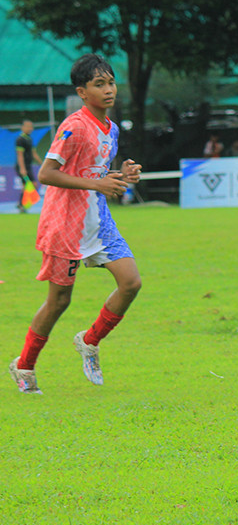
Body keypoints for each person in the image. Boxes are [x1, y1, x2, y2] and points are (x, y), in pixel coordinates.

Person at [8, 54, 142, 395]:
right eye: (100, 84)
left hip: (97, 221)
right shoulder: (73, 125)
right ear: (83, 92)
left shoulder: (110, 128)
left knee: (131, 282)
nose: (109, 89)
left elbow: (91, 174)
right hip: (65, 224)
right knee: (59, 302)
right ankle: (24, 366)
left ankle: (90, 341)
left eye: (111, 82)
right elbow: (47, 174)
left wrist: (118, 176)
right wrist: (98, 184)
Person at [14, 119, 44, 213]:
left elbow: (33, 153)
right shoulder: (20, 139)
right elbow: (20, 155)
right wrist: (22, 168)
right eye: (28, 126)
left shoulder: (29, 138)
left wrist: (43, 164)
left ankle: (21, 204)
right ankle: (21, 204)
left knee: (30, 185)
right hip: (22, 166)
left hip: (28, 166)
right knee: (29, 185)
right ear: (23, 127)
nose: (30, 128)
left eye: (31, 127)